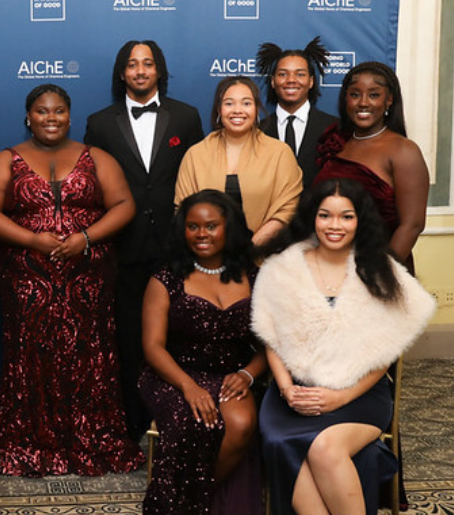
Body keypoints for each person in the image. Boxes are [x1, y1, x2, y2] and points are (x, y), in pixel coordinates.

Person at [0, 83, 144, 476]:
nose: (50, 118)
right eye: (41, 111)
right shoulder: (7, 159)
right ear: (28, 117)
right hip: (27, 284)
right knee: (32, 358)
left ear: (70, 116)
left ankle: (90, 437)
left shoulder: (95, 157)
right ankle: (32, 441)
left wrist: (85, 238)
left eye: (58, 112)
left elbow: (124, 205)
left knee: (90, 356)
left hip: (88, 281)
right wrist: (34, 239)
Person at [252, 178, 434, 515]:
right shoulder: (282, 267)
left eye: (346, 217)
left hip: (360, 395)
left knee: (324, 449)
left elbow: (385, 352)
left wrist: (342, 397)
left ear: (360, 220)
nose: (335, 225)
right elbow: (270, 337)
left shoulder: (381, 270)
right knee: (282, 443)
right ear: (312, 217)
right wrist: (286, 388)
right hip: (293, 395)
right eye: (325, 215)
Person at [85, 39, 205, 439]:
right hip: (124, 248)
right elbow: (94, 189)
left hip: (177, 248)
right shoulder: (100, 123)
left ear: (159, 71)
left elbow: (197, 180)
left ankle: (177, 421)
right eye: (132, 65)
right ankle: (134, 425)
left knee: (180, 335)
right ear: (122, 73)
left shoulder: (186, 117)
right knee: (131, 340)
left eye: (148, 64)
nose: (140, 71)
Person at [138, 190, 265, 515]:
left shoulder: (255, 276)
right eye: (193, 226)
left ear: (229, 227)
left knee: (241, 424)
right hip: (174, 373)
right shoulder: (166, 278)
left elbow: (273, 343)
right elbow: (152, 347)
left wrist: (248, 373)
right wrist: (188, 387)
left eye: (211, 226)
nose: (201, 234)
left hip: (232, 373)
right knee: (192, 422)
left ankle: (189, 503)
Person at [314, 61, 428, 271]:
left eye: (374, 95)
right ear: (345, 99)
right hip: (330, 267)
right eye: (355, 94)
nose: (363, 103)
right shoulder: (338, 143)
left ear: (389, 101)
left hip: (378, 270)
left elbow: (412, 226)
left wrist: (376, 275)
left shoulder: (404, 151)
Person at [175, 76, 303, 247]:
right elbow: (183, 210)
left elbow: (287, 209)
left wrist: (249, 250)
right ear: (219, 110)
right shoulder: (196, 154)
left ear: (256, 109)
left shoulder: (280, 153)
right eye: (229, 103)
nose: (237, 110)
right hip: (206, 258)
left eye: (246, 103)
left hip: (263, 258)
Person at [256, 37, 338, 188]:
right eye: (283, 74)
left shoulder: (333, 128)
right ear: (273, 81)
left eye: (300, 74)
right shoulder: (257, 131)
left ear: (311, 81)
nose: (291, 80)